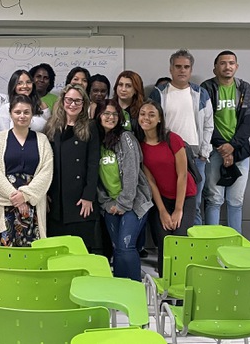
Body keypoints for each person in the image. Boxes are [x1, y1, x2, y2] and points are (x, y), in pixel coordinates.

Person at [149, 49, 213, 226]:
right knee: (167, 201)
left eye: (186, 67)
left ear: (191, 70)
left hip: (194, 155)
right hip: (167, 155)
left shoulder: (201, 94)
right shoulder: (159, 93)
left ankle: (197, 247)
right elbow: (150, 121)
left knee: (195, 204)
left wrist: (204, 152)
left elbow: (209, 124)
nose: (182, 70)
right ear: (170, 69)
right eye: (178, 66)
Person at [136, 100, 197, 273]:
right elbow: (151, 181)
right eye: (142, 114)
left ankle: (182, 287)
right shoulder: (140, 145)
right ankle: (165, 286)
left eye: (151, 114)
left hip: (184, 196)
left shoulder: (173, 139)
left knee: (179, 239)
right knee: (164, 241)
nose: (146, 118)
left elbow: (182, 175)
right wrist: (162, 211)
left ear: (160, 119)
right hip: (160, 198)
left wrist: (178, 209)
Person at [95, 99, 151, 281]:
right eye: (106, 113)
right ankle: (120, 290)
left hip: (133, 202)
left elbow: (131, 173)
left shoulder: (126, 138)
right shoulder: (96, 141)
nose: (110, 117)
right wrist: (108, 203)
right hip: (110, 204)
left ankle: (135, 289)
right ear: (98, 116)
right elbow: (96, 179)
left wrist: (122, 204)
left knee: (126, 247)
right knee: (117, 247)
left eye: (114, 114)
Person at [0, 95, 54, 245]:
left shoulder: (42, 140)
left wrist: (25, 195)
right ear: (11, 113)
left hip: (33, 205)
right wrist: (15, 197)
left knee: (32, 257)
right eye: (18, 112)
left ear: (32, 114)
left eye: (26, 112)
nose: (22, 116)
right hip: (4, 204)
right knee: (4, 256)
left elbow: (46, 172)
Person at [200, 50, 250, 232]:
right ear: (215, 68)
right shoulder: (206, 87)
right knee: (214, 200)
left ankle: (234, 247)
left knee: (236, 201)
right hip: (215, 150)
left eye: (231, 63)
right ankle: (212, 244)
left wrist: (232, 147)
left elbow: (248, 120)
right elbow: (205, 120)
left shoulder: (244, 88)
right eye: (223, 63)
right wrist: (223, 147)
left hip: (240, 150)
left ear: (236, 67)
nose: (227, 66)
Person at [44, 85, 100, 252]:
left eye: (77, 101)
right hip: (56, 196)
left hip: (80, 198)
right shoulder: (53, 126)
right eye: (69, 100)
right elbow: (47, 163)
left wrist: (88, 195)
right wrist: (45, 192)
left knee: (80, 248)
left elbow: (93, 163)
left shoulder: (90, 126)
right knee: (58, 250)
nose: (72, 104)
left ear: (84, 104)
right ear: (63, 101)